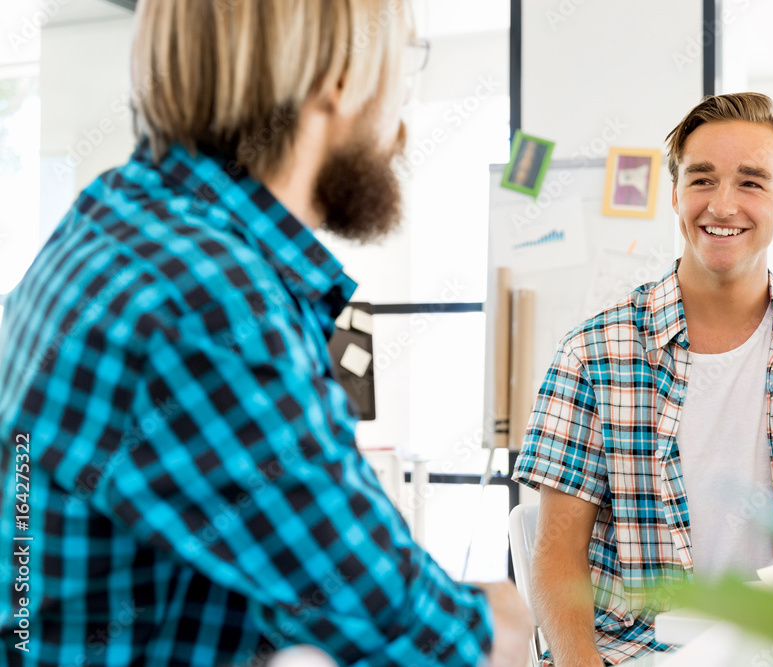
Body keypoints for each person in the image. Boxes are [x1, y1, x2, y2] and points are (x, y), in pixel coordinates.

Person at [0, 1, 532, 665]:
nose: (403, 113)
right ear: (339, 76)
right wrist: (501, 621)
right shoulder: (205, 298)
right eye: (405, 62)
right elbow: (410, 631)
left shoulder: (116, 219)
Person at [512, 92, 773, 665]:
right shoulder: (594, 352)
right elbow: (557, 552)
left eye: (751, 182)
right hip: (638, 653)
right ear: (676, 193)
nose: (722, 204)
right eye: (702, 179)